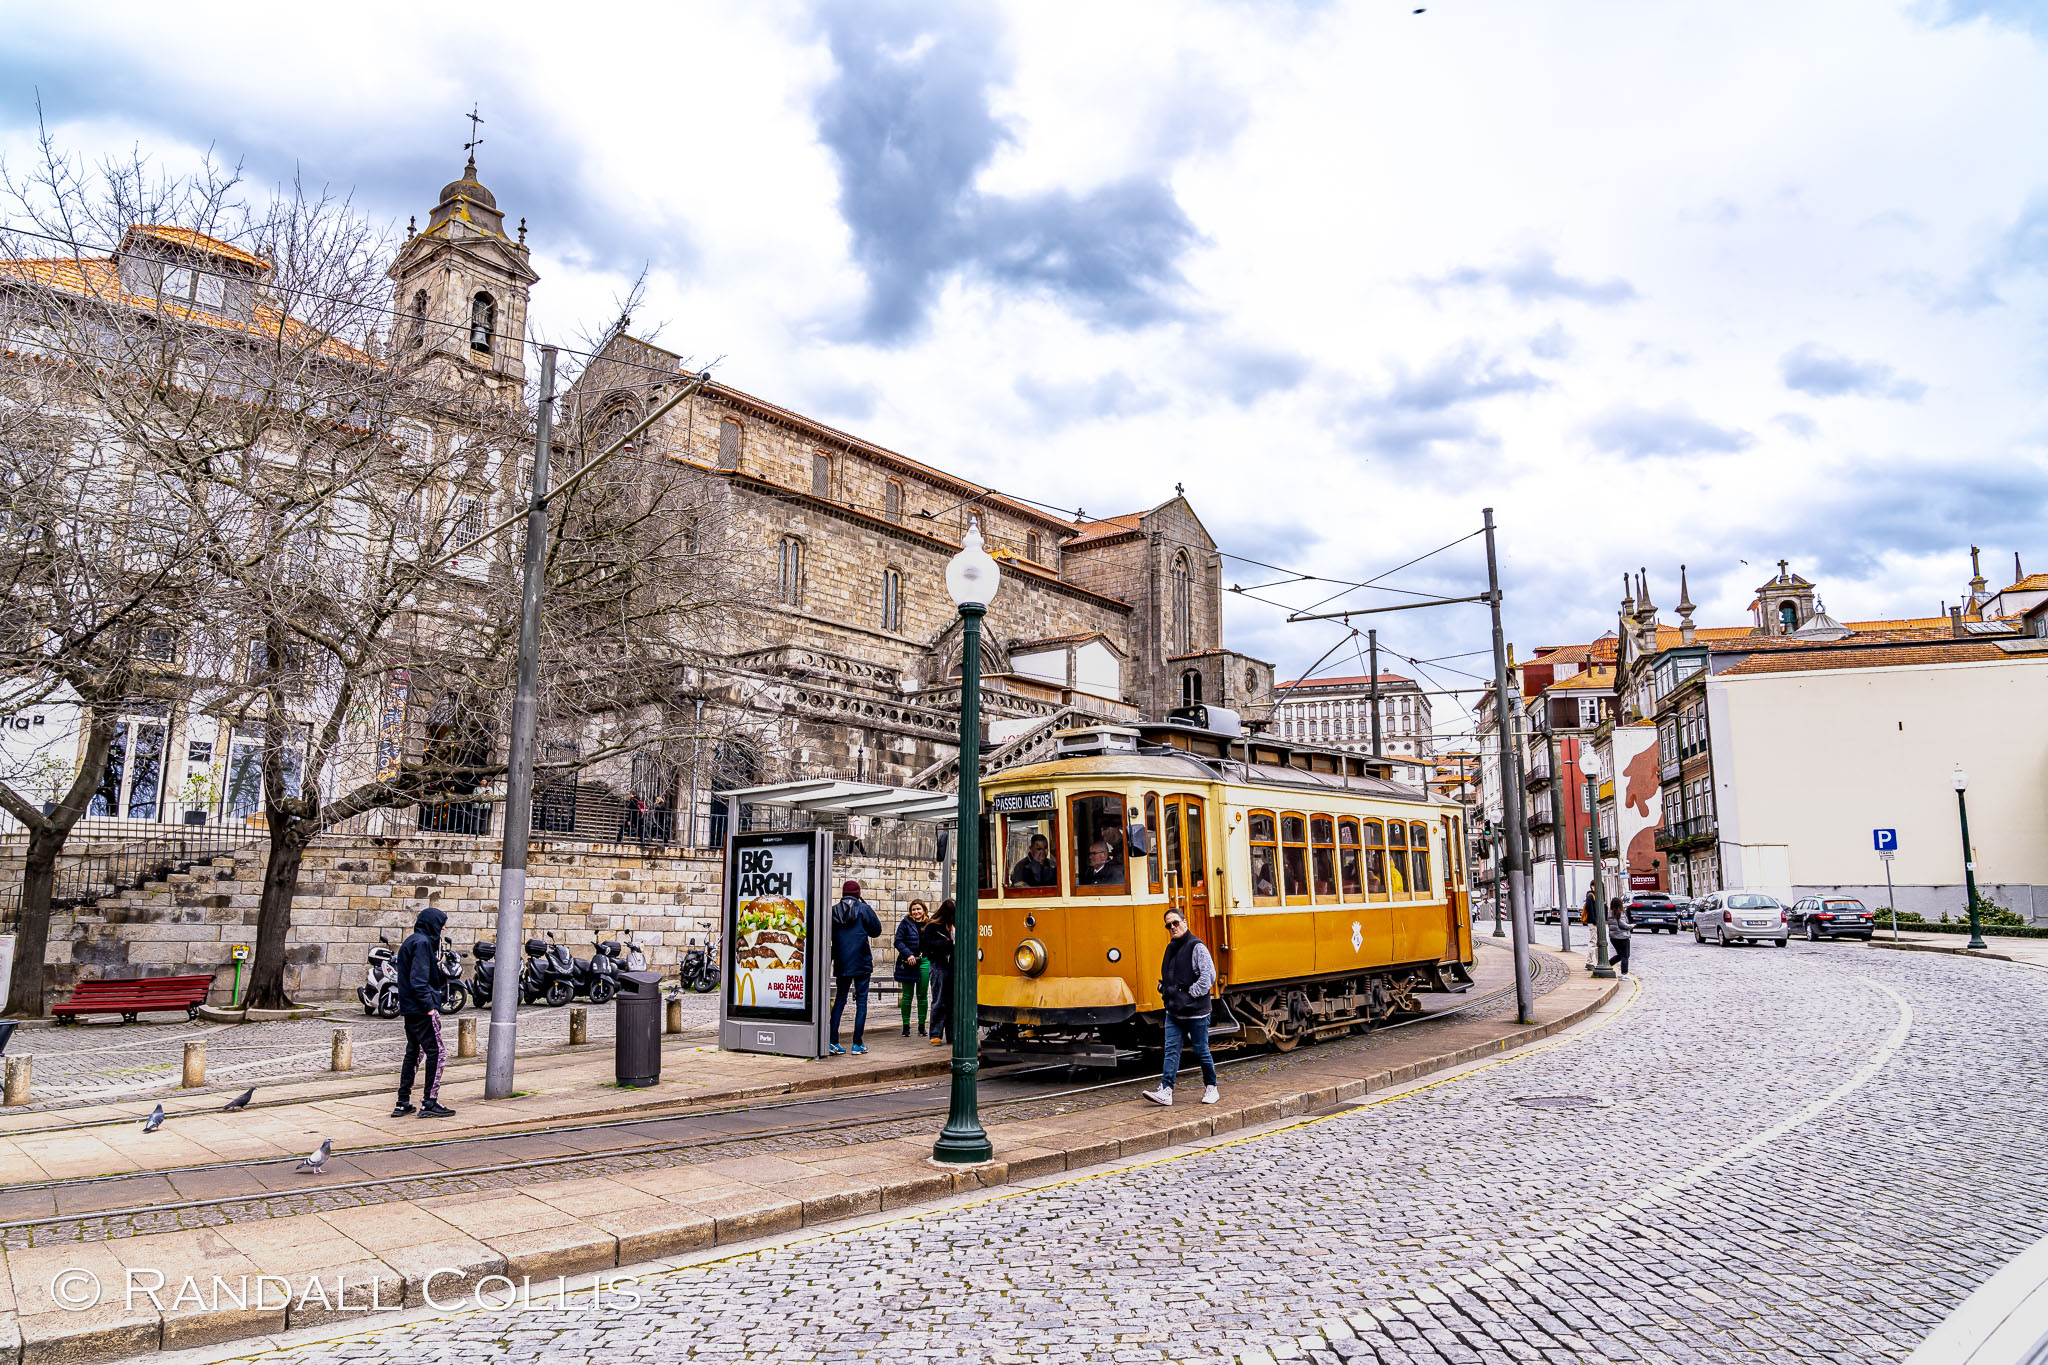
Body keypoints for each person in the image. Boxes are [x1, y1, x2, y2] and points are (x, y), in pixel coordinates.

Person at [1142, 908, 1219, 1108]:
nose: (1173, 927)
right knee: (1171, 1050)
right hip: (1175, 1011)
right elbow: (1171, 976)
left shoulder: (1197, 947)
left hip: (1196, 1012)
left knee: (1201, 1050)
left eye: (1175, 922)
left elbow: (1209, 976)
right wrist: (1164, 987)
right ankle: (1166, 1090)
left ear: (1185, 922)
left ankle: (1212, 1087)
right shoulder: (1171, 948)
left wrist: (1190, 994)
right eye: (1168, 925)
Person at [393, 905, 454, 1118]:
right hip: (421, 1008)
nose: (443, 928)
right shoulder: (422, 944)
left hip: (410, 1008)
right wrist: (429, 1008)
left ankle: (403, 1102)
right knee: (437, 1053)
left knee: (414, 1051)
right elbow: (418, 980)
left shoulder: (412, 941)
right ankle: (430, 1101)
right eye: (441, 923)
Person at [828, 880, 882, 1055]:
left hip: (842, 962)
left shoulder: (834, 910)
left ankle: (832, 1041)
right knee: (861, 1002)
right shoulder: (863, 909)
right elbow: (876, 930)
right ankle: (857, 1044)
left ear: (843, 893)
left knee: (840, 1000)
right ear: (858, 893)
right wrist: (865, 906)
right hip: (861, 961)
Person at [894, 900, 930, 1036]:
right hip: (908, 963)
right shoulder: (905, 923)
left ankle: (922, 1026)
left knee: (922, 995)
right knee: (907, 996)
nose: (916, 912)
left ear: (924, 910)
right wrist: (908, 954)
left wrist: (927, 951)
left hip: (924, 962)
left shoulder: (929, 924)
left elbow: (933, 940)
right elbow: (898, 941)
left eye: (918, 909)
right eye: (913, 909)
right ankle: (906, 1026)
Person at [924, 899, 956, 1047]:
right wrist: (949, 944)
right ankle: (935, 1034)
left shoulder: (956, 926)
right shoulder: (933, 926)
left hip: (953, 965)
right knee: (939, 999)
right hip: (939, 964)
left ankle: (951, 1033)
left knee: (952, 1001)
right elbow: (927, 946)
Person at [1607, 894, 1632, 975]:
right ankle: (1624, 973)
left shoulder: (1610, 913)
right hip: (1623, 937)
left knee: (1620, 955)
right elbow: (1623, 925)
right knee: (1625, 956)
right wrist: (1631, 926)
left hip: (1613, 937)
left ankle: (1608, 964)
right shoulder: (1620, 913)